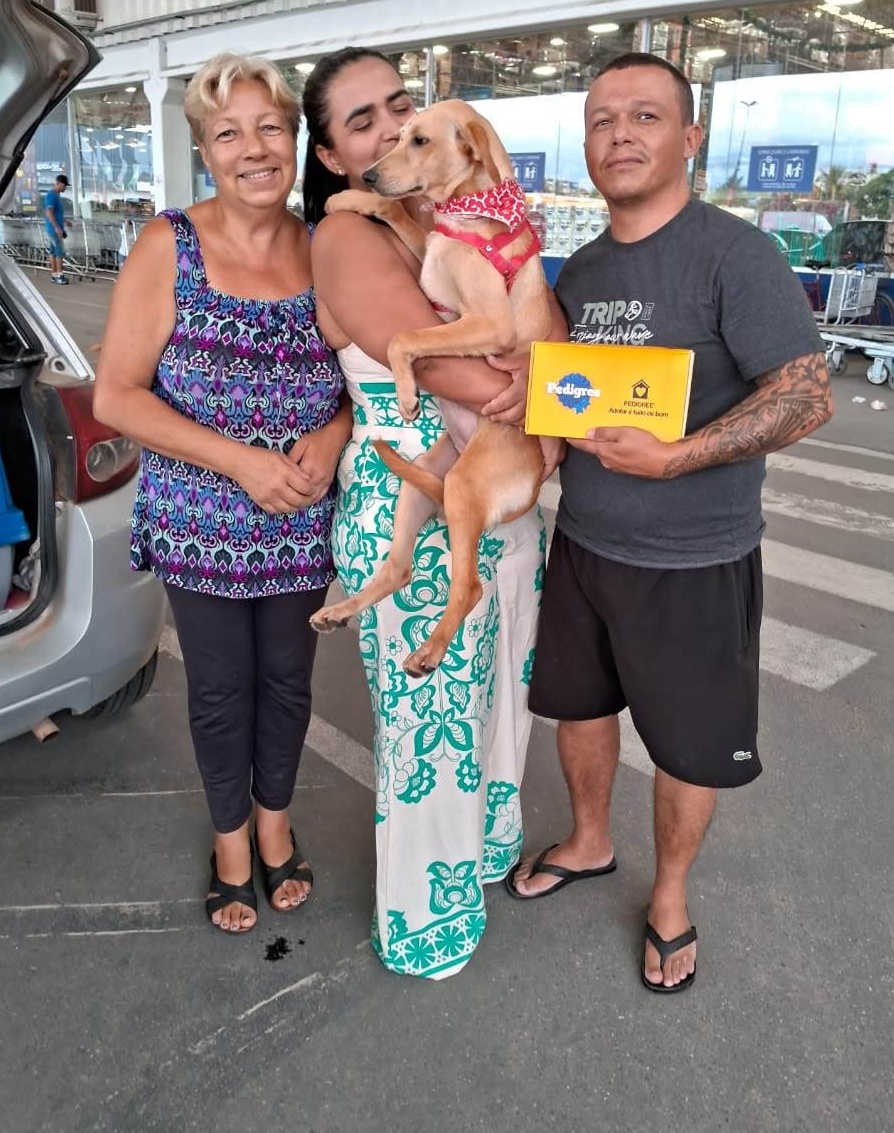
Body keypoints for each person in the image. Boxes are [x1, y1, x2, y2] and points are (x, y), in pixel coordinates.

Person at [508, 52, 833, 994]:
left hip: (694, 559)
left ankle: (670, 900)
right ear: (585, 145)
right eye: (604, 120)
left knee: (689, 744)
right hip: (585, 545)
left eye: (645, 117)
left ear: (689, 138)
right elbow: (569, 393)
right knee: (578, 711)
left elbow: (805, 396)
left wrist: (678, 455)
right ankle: (590, 840)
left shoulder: (735, 253)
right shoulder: (588, 265)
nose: (621, 134)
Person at [304, 48, 559, 979]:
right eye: (363, 122)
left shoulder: (446, 219)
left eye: (401, 113)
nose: (388, 136)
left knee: (496, 704)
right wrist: (536, 383)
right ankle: (426, 923)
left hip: (498, 491)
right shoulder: (347, 235)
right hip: (413, 482)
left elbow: (528, 335)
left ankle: (481, 859)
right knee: (429, 734)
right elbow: (452, 369)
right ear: (332, 155)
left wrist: (545, 374)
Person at [94, 53, 350, 935]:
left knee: (287, 680)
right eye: (229, 131)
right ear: (205, 150)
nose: (253, 148)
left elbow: (364, 381)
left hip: (301, 517)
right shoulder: (169, 244)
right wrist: (238, 460)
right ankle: (231, 844)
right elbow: (116, 394)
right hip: (200, 520)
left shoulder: (326, 246)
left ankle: (276, 827)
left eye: (270, 127)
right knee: (218, 688)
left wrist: (332, 434)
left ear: (296, 142)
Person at [44, 173, 69, 284]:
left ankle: (54, 275)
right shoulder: (52, 195)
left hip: (53, 228)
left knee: (53, 252)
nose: (65, 188)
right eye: (64, 185)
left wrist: (65, 221)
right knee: (59, 252)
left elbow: (56, 213)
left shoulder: (56, 195)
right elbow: (49, 212)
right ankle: (60, 275)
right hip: (54, 230)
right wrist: (57, 228)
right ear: (58, 183)